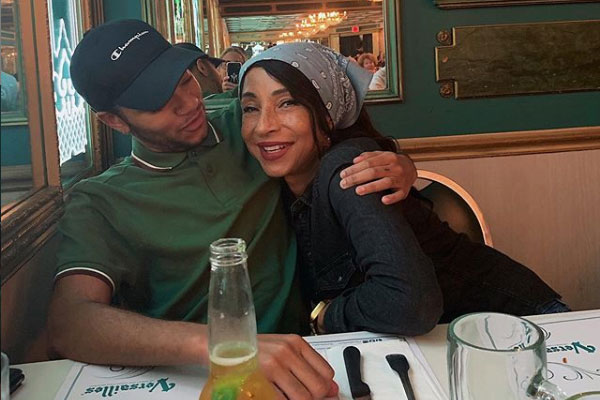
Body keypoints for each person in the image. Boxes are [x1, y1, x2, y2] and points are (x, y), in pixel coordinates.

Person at [47, 20, 416, 400]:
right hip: (196, 377)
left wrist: (399, 164)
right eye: (157, 101)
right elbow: (70, 321)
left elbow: (332, 126)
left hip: (315, 353)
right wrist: (223, 346)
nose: (188, 103)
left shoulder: (249, 122)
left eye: (184, 79)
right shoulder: (99, 200)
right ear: (113, 120)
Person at [238, 42, 569, 336]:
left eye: (287, 103)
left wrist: (324, 318)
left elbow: (411, 303)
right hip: (444, 344)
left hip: (524, 327)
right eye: (251, 108)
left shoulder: (350, 171)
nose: (264, 126)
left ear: (327, 116)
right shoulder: (278, 187)